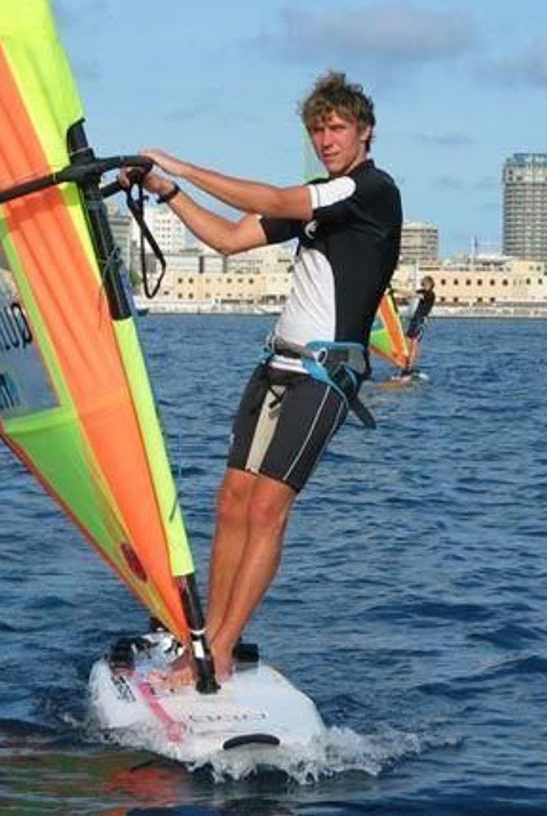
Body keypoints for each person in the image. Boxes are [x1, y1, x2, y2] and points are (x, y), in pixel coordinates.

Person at [121, 71, 401, 685]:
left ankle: (220, 651)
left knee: (269, 509)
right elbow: (224, 238)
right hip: (275, 366)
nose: (326, 139)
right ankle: (204, 640)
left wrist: (182, 165)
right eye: (317, 130)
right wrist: (165, 189)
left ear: (364, 133)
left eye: (337, 128)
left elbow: (272, 201)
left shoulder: (370, 191)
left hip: (324, 376)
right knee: (231, 504)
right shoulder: (319, 201)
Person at [399, 276, 435, 376]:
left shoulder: (430, 294)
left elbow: (415, 295)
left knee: (414, 342)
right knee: (406, 339)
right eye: (423, 284)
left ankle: (410, 367)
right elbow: (411, 293)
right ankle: (404, 363)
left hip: (421, 321)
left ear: (430, 284)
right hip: (415, 319)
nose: (424, 285)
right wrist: (396, 291)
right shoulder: (422, 291)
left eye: (425, 284)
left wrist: (409, 294)